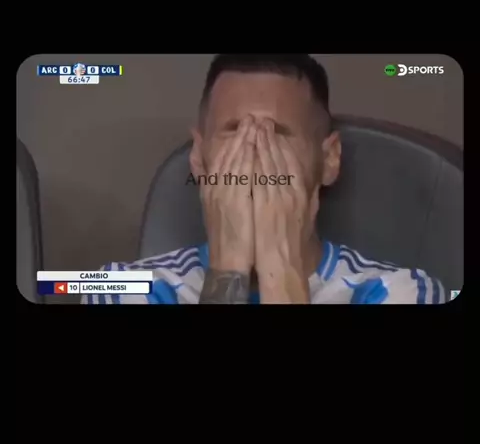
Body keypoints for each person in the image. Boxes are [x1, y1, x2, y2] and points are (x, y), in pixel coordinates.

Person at [82, 54, 446, 304]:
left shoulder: (402, 293)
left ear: (329, 159)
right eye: (234, 131)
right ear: (198, 158)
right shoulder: (121, 289)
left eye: (278, 134)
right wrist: (227, 271)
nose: (255, 155)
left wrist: (281, 273)